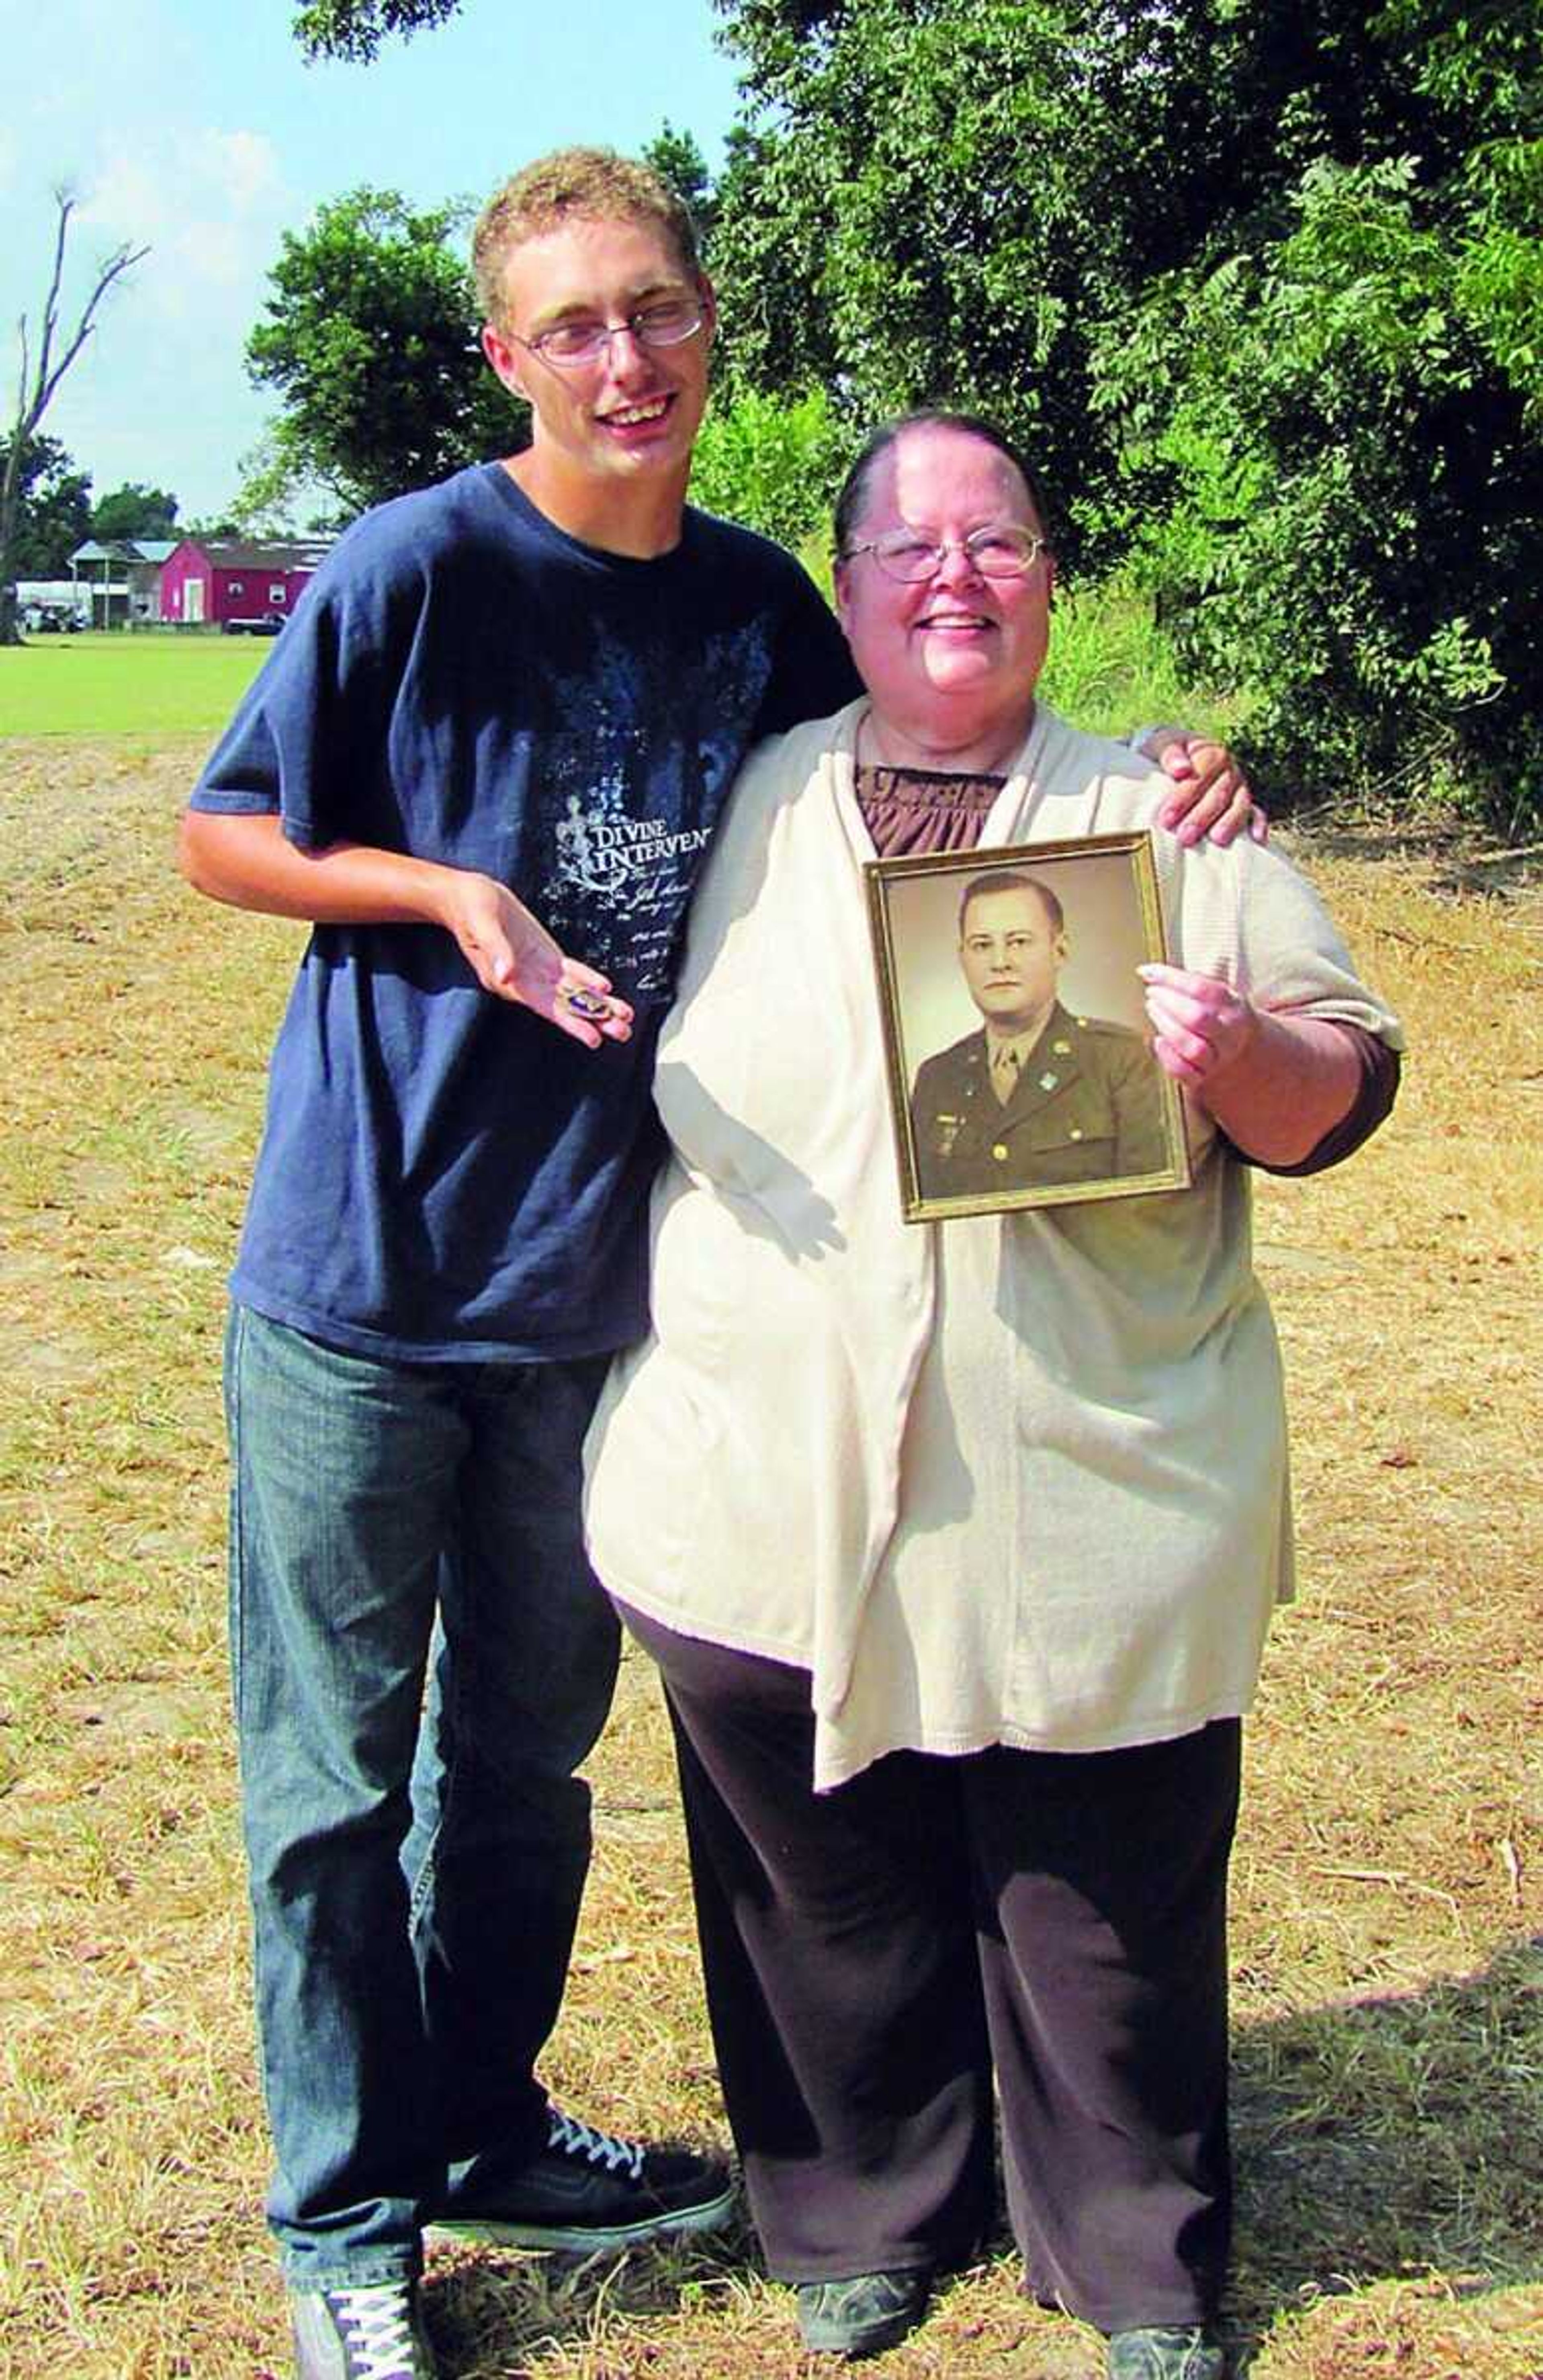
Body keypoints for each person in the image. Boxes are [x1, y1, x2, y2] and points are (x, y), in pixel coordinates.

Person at [179, 144, 1252, 2379]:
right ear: (509, 356)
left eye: (652, 309)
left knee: (523, 1771)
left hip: (595, 1294)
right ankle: (343, 2221)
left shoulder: (760, 604)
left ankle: (479, 2122)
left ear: (702, 323)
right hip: (364, 1289)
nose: (623, 358)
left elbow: (919, 736)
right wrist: (439, 899)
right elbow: (221, 831)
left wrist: (1178, 786)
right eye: (570, 325)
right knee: (329, 1784)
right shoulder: (411, 569)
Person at [583, 411, 1402, 2380]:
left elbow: (1343, 1085)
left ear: (1049, 575)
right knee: (823, 1884)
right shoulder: (754, 795)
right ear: (846, 591)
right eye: (908, 548)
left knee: (1097, 1892)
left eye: (998, 541)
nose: (954, 576)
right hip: (759, 1471)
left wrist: (1238, 1059)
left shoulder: (1168, 811)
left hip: (1086, 1471)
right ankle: (864, 2208)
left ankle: (1134, 2251)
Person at [910, 867, 1167, 1198]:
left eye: (1018, 942)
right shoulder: (938, 1076)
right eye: (982, 945)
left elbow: (1147, 1206)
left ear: (1059, 951)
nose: (1000, 962)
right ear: (963, 958)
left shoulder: (1123, 1059)